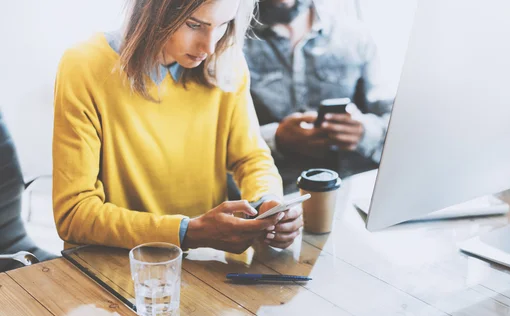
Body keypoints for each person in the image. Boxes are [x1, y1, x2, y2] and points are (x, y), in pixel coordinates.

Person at [52, 0, 303, 254]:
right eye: (194, 25)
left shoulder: (226, 59)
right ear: (153, 9)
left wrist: (267, 204)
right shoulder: (84, 66)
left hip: (204, 262)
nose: (209, 46)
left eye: (223, 25)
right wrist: (189, 232)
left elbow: (251, 158)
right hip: (115, 262)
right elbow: (74, 215)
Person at [244, 0, 394, 193]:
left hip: (353, 193)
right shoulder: (227, 42)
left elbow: (398, 122)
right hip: (271, 195)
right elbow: (215, 140)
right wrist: (276, 139)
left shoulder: (354, 36)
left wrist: (364, 131)